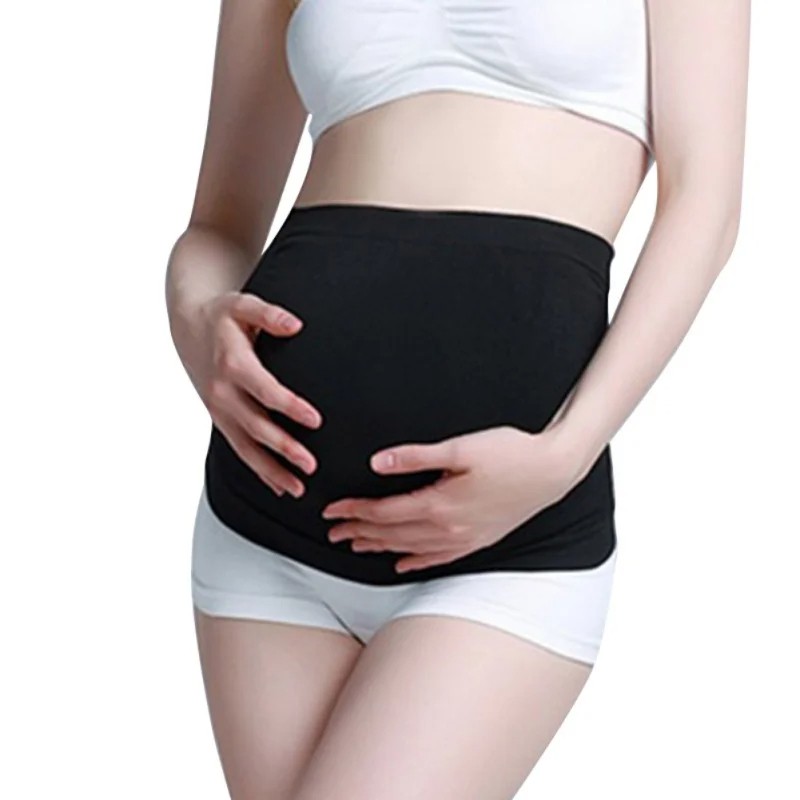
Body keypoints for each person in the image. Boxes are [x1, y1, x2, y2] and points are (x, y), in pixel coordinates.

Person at [165, 1, 750, 797]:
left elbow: (705, 205)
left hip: (508, 543)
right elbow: (217, 227)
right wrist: (198, 321)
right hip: (267, 524)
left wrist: (565, 455)